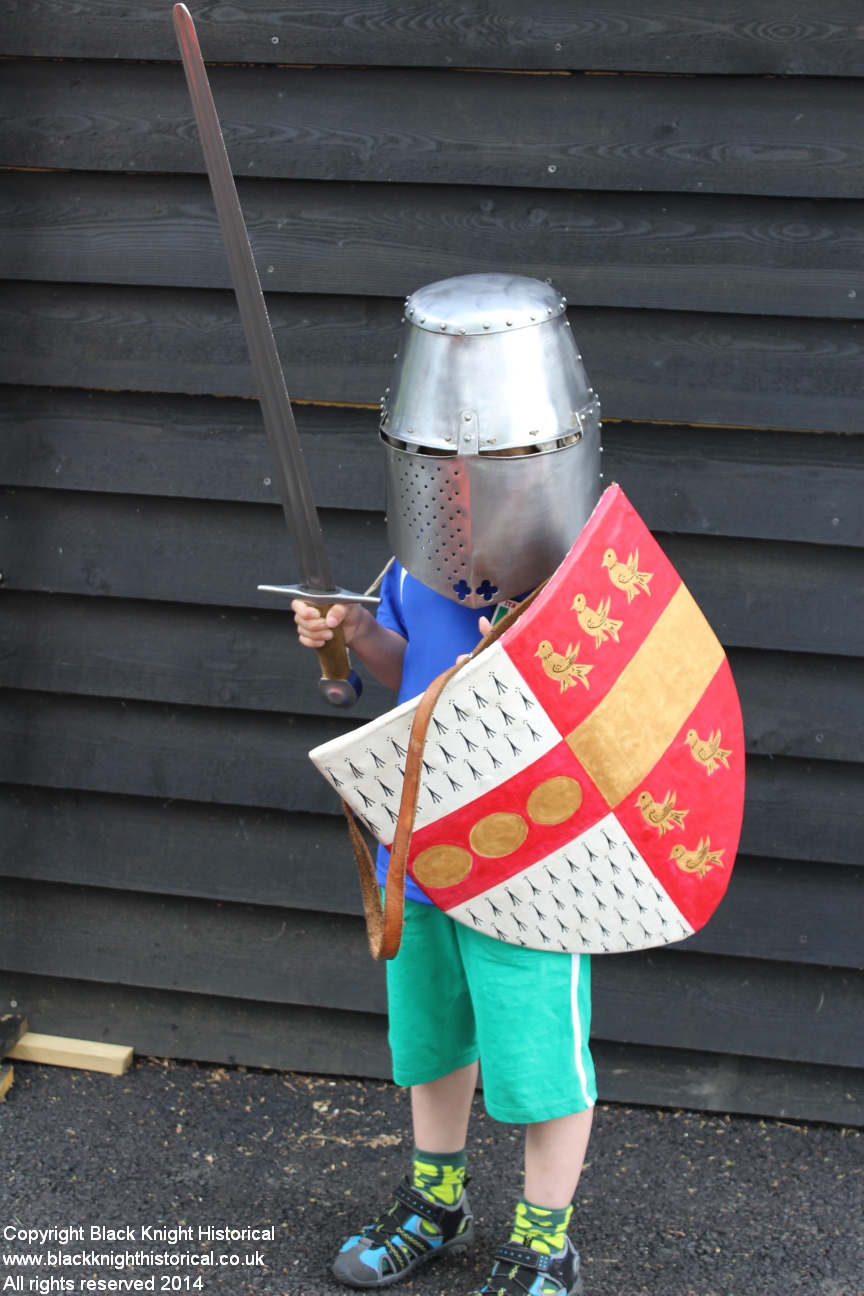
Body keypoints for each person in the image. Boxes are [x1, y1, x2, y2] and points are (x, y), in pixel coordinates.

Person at [293, 274, 603, 1296]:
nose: (466, 481)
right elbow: (406, 670)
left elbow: (612, 723)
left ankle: (542, 1240)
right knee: (430, 1042)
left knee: (538, 1061)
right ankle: (438, 1198)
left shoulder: (589, 585)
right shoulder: (418, 565)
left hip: (530, 865)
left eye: (499, 459)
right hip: (419, 851)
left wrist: (532, 652)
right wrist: (352, 632)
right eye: (446, 464)